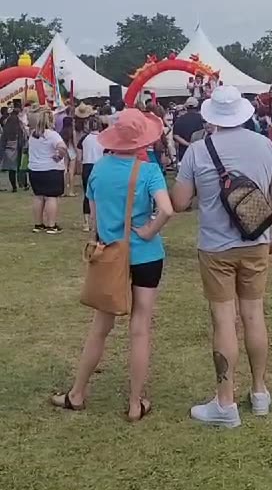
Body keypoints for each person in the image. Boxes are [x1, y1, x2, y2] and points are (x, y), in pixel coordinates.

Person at [172, 86, 272, 429]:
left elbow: (179, 202)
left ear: (211, 116)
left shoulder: (196, 151)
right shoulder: (265, 145)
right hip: (256, 242)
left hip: (216, 248)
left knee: (224, 320)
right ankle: (259, 392)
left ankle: (225, 403)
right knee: (254, 314)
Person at [52, 109, 173, 421]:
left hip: (109, 254)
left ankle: (77, 393)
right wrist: (148, 230)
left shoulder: (100, 169)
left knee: (100, 327)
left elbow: (94, 217)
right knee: (140, 327)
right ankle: (135, 403)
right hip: (146, 255)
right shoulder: (148, 171)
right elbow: (167, 210)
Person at [28, 108, 68, 233]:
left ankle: (38, 224)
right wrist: (59, 157)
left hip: (35, 169)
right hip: (51, 169)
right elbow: (62, 147)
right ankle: (51, 225)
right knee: (51, 197)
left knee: (38, 196)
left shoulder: (33, 134)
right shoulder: (52, 134)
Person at [77, 117, 105, 232]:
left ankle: (86, 222)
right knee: (101, 195)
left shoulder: (84, 139)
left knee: (87, 194)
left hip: (87, 166)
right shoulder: (104, 138)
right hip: (100, 166)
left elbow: (79, 157)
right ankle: (98, 222)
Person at [0, 109, 27, 192]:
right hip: (18, 150)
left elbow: (2, 143)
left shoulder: (6, 130)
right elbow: (23, 139)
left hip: (8, 152)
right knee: (20, 168)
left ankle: (14, 187)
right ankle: (24, 184)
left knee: (11, 170)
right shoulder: (19, 129)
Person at [173, 97, 204, 164]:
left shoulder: (180, 119)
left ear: (186, 107)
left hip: (185, 151)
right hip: (200, 150)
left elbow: (175, 135)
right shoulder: (202, 119)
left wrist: (188, 144)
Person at [60, 116, 77, 197]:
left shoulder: (61, 132)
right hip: (71, 150)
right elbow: (74, 143)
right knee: (71, 172)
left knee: (64, 170)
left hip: (64, 150)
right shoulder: (72, 132)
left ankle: (63, 191)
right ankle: (71, 191)